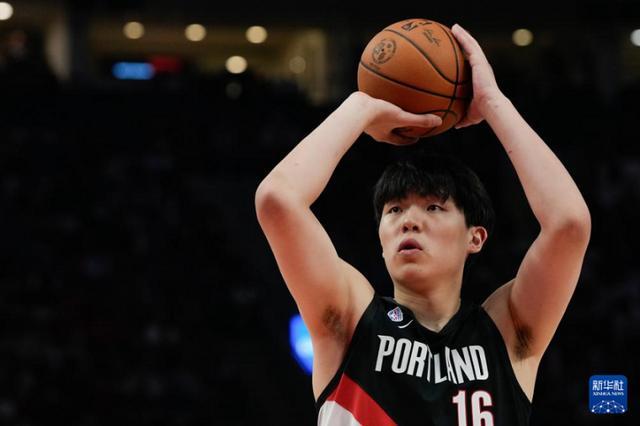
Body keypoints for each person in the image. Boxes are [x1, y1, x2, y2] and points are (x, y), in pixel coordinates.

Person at [255, 23, 591, 426]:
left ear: (475, 237)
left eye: (433, 208)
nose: (409, 221)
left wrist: (493, 103)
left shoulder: (505, 333)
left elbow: (569, 224)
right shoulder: (351, 321)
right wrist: (362, 107)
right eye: (394, 211)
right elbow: (277, 200)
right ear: (380, 240)